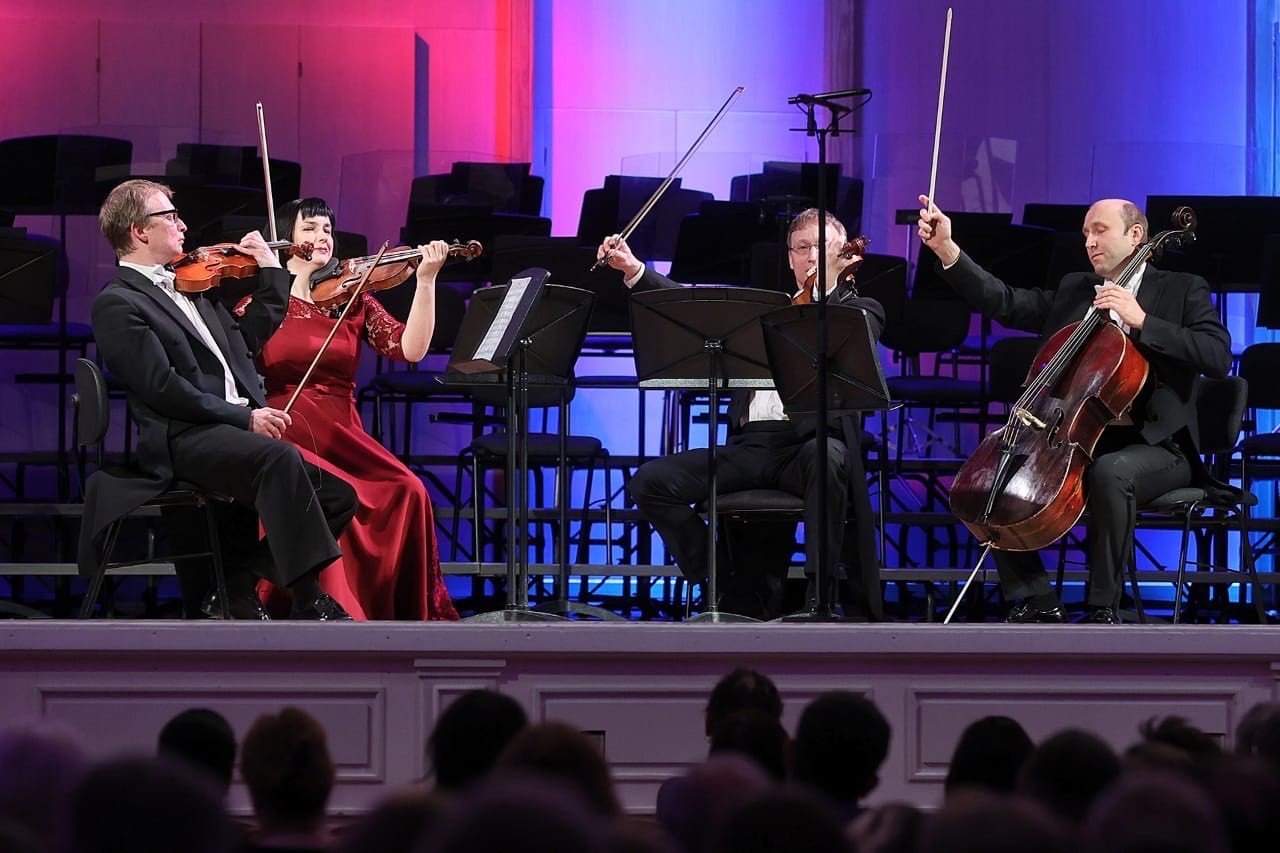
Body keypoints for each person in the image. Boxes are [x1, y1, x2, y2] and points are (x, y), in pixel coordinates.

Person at [917, 196, 1232, 624]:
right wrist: (947, 250)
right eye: (1085, 233)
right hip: (1074, 441)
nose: (1089, 241)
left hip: (1157, 447)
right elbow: (1005, 301)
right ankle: (1035, 597)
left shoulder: (1181, 288)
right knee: (996, 478)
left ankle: (1102, 606)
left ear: (1136, 235)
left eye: (1100, 230)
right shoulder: (1075, 290)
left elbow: (1216, 355)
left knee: (1111, 472)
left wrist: (1141, 320)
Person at [85, 179, 357, 620]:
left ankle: (234, 586)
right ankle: (309, 599)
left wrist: (272, 273)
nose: (183, 224)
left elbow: (247, 342)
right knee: (280, 460)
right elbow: (161, 387)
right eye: (170, 217)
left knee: (340, 496)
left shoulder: (195, 288)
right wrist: (242, 417)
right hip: (184, 436)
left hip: (228, 431)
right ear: (138, 231)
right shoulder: (118, 303)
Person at [597, 208, 886, 619]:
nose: (809, 256)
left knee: (827, 454)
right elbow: (693, 313)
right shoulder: (765, 313)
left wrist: (826, 290)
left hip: (807, 445)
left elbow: (855, 333)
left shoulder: (862, 309)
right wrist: (634, 269)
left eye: (820, 247)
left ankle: (820, 599)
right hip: (751, 445)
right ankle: (721, 582)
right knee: (651, 482)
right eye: (801, 248)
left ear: (843, 253)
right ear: (789, 258)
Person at [243, 197, 459, 621]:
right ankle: (323, 610)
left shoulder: (351, 299)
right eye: (310, 229)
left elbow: (409, 348)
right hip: (285, 428)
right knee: (320, 496)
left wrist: (427, 282)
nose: (322, 237)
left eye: (327, 229)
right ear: (286, 239)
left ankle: (390, 613)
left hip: (343, 431)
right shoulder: (261, 304)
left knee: (408, 490)